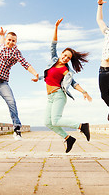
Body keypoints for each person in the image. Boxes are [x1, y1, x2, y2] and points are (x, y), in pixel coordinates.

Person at [37, 18, 91, 153]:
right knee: (48, 123)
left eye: (68, 58)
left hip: (59, 96)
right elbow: (53, 45)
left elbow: (73, 83)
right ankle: (68, 138)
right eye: (65, 55)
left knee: (55, 120)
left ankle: (82, 126)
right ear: (61, 54)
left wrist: (83, 91)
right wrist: (56, 27)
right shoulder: (53, 60)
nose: (65, 58)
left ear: (69, 60)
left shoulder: (67, 71)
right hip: (50, 97)